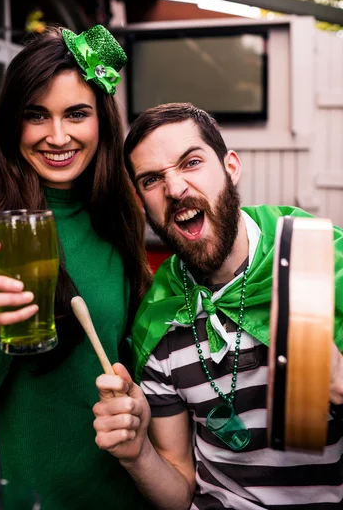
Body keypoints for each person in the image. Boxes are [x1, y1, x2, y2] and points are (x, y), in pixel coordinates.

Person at [0, 24, 154, 509]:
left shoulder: (118, 217)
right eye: (36, 115)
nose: (57, 137)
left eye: (76, 114)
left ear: (101, 119)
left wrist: (138, 407)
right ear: (10, 122)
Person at [93, 102, 343, 510]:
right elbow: (180, 490)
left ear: (230, 166)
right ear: (142, 202)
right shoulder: (159, 318)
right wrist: (137, 454)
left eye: (191, 162)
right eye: (153, 179)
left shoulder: (320, 266)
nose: (174, 190)